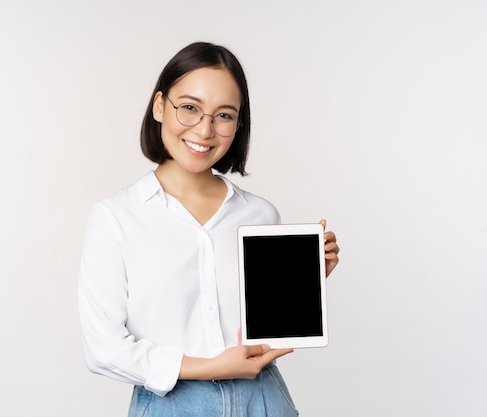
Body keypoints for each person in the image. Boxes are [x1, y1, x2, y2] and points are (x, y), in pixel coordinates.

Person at [78, 41, 340, 416]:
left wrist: (303, 281)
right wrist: (212, 368)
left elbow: (256, 333)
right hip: (173, 404)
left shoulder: (260, 215)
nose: (205, 130)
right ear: (159, 107)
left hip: (263, 399)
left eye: (224, 115)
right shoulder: (116, 217)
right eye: (189, 108)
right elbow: (103, 349)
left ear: (239, 123)